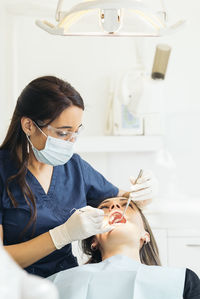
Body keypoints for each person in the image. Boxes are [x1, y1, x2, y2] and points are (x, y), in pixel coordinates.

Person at [0, 75, 158, 278]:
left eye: (76, 132)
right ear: (29, 126)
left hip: (67, 281)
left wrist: (144, 194)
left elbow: (121, 202)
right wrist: (61, 235)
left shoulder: (74, 168)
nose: (70, 142)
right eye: (63, 133)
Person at [50, 197, 200, 299]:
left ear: (145, 235)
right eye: (104, 207)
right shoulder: (56, 284)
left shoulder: (182, 281)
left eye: (126, 205)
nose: (114, 207)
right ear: (93, 240)